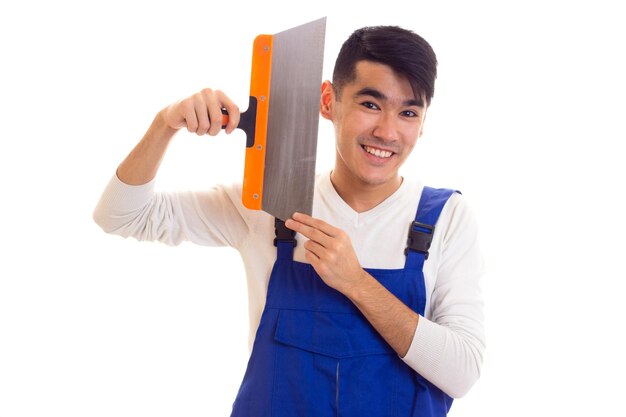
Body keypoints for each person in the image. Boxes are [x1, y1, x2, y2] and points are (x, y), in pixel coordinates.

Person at [94, 25, 485, 416]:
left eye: (408, 113)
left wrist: (356, 283)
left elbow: (462, 372)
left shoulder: (445, 219)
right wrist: (166, 124)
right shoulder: (270, 205)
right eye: (370, 104)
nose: (387, 131)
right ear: (328, 101)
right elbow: (120, 215)